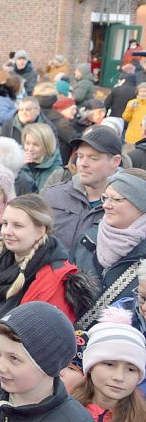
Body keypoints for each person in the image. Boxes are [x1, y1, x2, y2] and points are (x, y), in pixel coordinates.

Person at [0, 194, 92, 375]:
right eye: (5, 223)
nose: (7, 231)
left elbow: (27, 346)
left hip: (5, 375)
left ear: (40, 230)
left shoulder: (56, 278)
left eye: (17, 226)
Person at [71, 307, 146, 422]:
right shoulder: (64, 411)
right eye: (109, 364)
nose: (119, 377)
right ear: (90, 366)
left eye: (131, 369)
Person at [72, 169, 146, 325]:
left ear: (141, 204)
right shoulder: (86, 240)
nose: (106, 205)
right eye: (105, 198)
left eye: (116, 199)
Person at [44, 126, 124, 257]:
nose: (83, 164)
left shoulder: (130, 207)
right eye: (80, 156)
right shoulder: (51, 196)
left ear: (115, 161)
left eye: (93, 158)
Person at [22, 121, 65, 191]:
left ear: (46, 145)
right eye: (27, 143)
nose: (30, 149)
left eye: (35, 144)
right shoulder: (20, 165)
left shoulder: (56, 172)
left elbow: (36, 196)